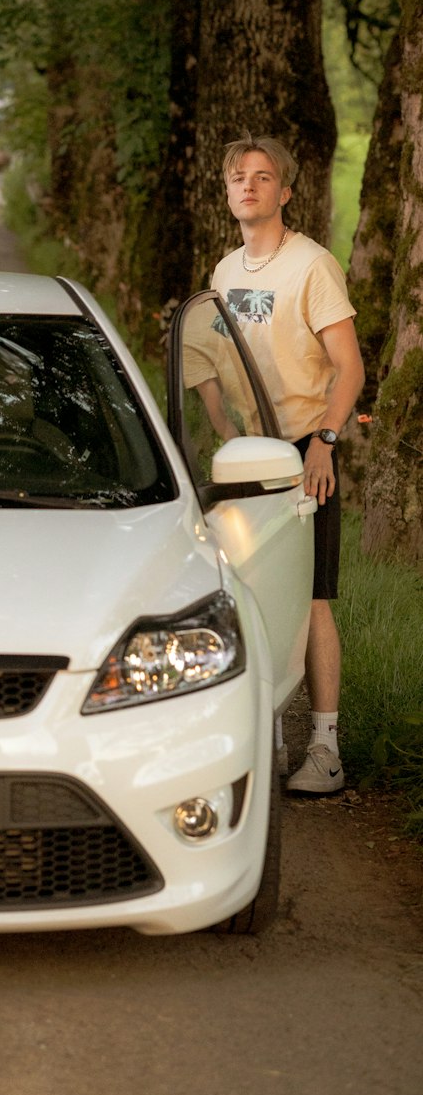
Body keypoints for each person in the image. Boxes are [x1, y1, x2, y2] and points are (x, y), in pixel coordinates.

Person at [212, 133, 365, 793]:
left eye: (263, 177)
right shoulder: (222, 273)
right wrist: (222, 432)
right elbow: (209, 361)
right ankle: (264, 734)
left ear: (286, 191)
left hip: (306, 450)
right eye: (238, 177)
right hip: (247, 454)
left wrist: (327, 442)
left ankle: (325, 747)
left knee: (311, 598)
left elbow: (350, 366)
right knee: (245, 595)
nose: (248, 185)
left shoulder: (311, 266)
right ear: (227, 192)